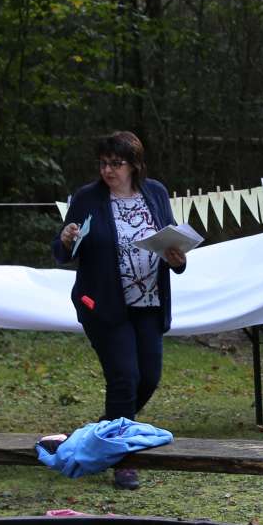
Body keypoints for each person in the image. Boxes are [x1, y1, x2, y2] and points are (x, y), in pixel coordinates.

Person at [52, 131, 187, 490]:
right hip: (104, 304)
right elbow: (64, 249)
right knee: (124, 378)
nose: (108, 170)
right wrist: (66, 239)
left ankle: (109, 425)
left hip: (149, 302)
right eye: (103, 163)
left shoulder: (155, 192)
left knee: (148, 378)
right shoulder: (88, 197)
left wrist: (177, 259)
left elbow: (171, 243)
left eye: (116, 163)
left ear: (134, 165)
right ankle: (121, 458)